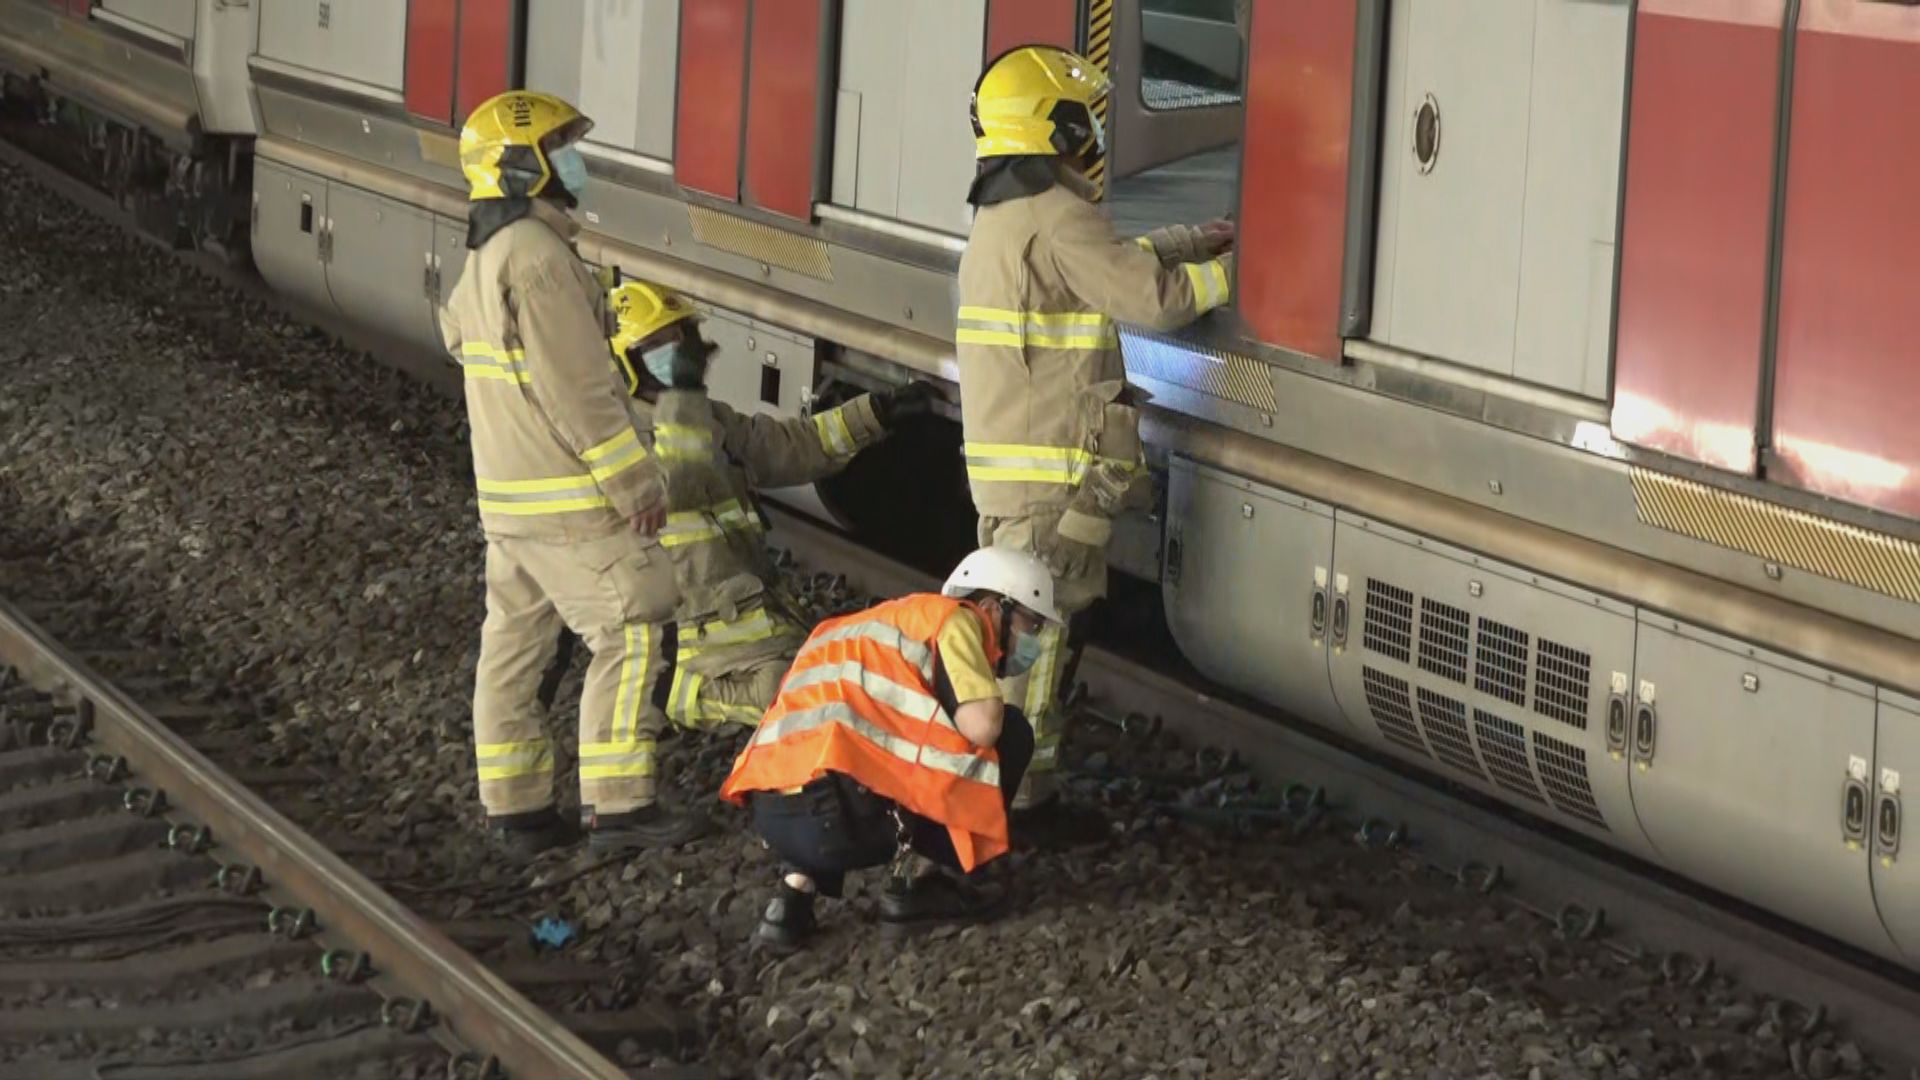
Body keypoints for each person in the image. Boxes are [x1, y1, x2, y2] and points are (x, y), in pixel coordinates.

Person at [956, 46, 1235, 827]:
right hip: (1055, 484)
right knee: (1035, 652)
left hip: (1014, 477)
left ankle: (1016, 801)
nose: (1093, 137)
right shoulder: (1059, 215)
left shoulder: (1009, 217)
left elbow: (1099, 267)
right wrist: (1251, 272)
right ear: (1053, 127)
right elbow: (1153, 299)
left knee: (1020, 641)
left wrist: (1185, 236)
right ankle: (1008, 810)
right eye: (1082, 121)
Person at [438, 90, 706, 857]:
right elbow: (581, 388)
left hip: (511, 503)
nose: (574, 161)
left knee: (515, 648)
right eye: (560, 148)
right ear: (524, 166)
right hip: (567, 501)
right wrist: (636, 484)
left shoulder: (487, 256)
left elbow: (463, 342)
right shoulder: (539, 257)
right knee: (633, 619)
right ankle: (619, 805)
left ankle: (516, 809)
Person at [534, 278, 944, 729]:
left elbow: (788, 446)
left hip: (755, 613)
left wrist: (874, 413)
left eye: (679, 339)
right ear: (623, 362)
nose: (675, 353)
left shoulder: (706, 417)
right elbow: (680, 479)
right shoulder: (620, 438)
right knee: (806, 702)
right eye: (657, 345)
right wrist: (683, 395)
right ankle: (679, 693)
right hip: (699, 639)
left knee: (851, 675)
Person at [719, 547, 1062, 952]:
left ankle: (789, 906)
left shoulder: (853, 630)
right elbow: (984, 728)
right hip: (843, 824)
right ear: (990, 607)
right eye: (1030, 624)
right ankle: (916, 884)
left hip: (774, 816)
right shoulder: (956, 621)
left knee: (832, 754)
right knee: (1011, 732)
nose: (1032, 640)